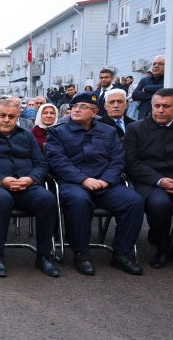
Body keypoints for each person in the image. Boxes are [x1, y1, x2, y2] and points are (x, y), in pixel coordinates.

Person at [46, 92, 143, 276]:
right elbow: (58, 162)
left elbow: (118, 159)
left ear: (95, 112)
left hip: (104, 182)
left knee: (134, 201)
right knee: (79, 201)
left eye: (83, 107)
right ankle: (81, 254)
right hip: (73, 183)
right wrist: (84, 179)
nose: (76, 109)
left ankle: (122, 254)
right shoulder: (58, 132)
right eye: (74, 106)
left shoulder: (108, 131)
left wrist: (106, 180)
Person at [0, 99, 59, 278]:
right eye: (2, 115)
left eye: (11, 116)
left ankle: (43, 256)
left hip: (26, 185)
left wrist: (31, 179)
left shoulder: (26, 135)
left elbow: (41, 164)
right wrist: (2, 180)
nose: (7, 120)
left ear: (18, 117)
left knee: (48, 199)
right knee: (3, 199)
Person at [124, 88, 173, 268]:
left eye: (166, 106)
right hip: (150, 182)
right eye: (157, 106)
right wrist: (160, 181)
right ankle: (163, 247)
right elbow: (131, 163)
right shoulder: (135, 129)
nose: (160, 110)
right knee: (159, 204)